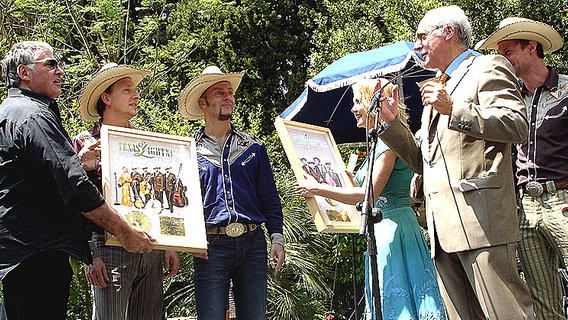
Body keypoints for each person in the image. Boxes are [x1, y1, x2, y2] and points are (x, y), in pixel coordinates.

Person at [376, 6, 535, 319]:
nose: (417, 45)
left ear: (447, 32)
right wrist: (391, 123)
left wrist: (454, 108)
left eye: (422, 36)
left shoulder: (488, 66)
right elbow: (425, 161)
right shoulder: (437, 83)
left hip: (482, 224)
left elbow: (517, 125)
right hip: (441, 230)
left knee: (508, 314)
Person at [0, 42, 153, 319]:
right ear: (24, 72)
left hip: (21, 254)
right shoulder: (33, 115)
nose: (60, 70)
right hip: (39, 254)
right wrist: (126, 233)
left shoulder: (10, 111)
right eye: (50, 64)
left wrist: (79, 164)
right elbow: (75, 188)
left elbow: (30, 178)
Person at [296, 78, 446, 320]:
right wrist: (349, 180)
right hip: (384, 229)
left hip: (395, 230)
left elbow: (371, 194)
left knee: (401, 306)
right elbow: (370, 194)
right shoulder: (378, 141)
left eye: (358, 102)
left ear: (372, 103)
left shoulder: (388, 142)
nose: (353, 109)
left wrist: (318, 188)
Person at [476, 17, 568, 320]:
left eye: (508, 51)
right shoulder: (506, 98)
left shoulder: (566, 89)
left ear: (531, 47)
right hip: (524, 208)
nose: (502, 59)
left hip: (563, 200)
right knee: (543, 302)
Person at [72, 62, 180, 320]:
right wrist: (90, 254)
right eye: (126, 90)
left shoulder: (148, 143)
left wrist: (170, 245)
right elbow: (74, 201)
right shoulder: (84, 143)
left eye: (135, 89)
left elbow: (157, 198)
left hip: (149, 245)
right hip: (106, 248)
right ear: (106, 97)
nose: (136, 95)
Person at [178, 65, 285, 319]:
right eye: (219, 93)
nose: (228, 97)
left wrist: (277, 238)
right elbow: (180, 202)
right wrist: (186, 241)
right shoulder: (187, 151)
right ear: (203, 103)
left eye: (229, 92)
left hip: (253, 244)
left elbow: (269, 196)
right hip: (210, 246)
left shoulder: (254, 147)